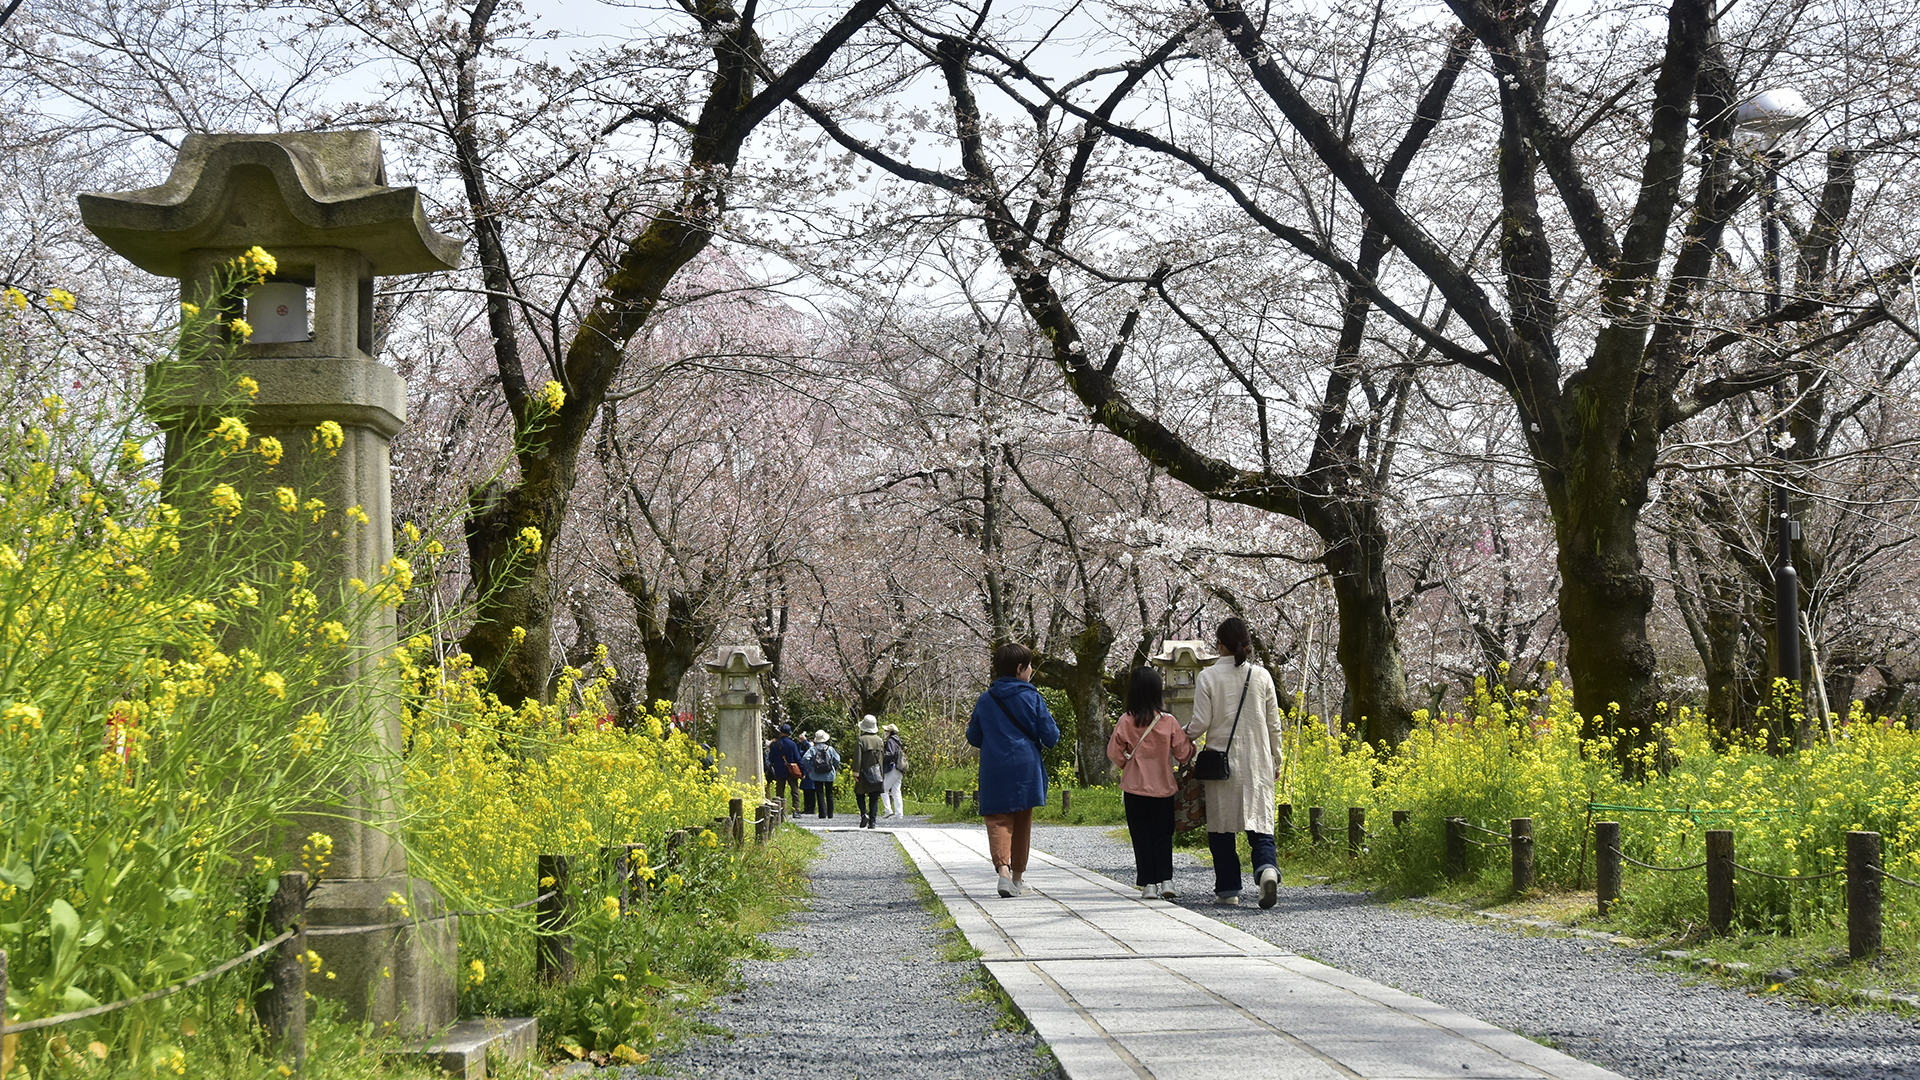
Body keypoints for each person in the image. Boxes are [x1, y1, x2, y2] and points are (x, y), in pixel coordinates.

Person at [1185, 616, 1285, 908]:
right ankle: (1266, 870)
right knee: (1260, 823)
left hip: (1221, 765)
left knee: (1221, 827)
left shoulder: (1208, 677)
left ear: (1220, 644)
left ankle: (1228, 889)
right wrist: (1276, 759)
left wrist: (1182, 736)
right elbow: (1274, 724)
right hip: (1257, 763)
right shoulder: (1262, 676)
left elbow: (1200, 723)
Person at [967, 642, 1061, 898]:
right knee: (1022, 820)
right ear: (1020, 668)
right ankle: (1018, 879)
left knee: (997, 819)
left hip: (994, 767)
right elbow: (1051, 736)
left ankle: (1003, 874)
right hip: (1026, 766)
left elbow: (973, 736)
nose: (1031, 670)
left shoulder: (986, 699)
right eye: (1029, 665)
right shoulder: (1032, 697)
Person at [1106, 666, 1195, 901]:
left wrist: (1128, 764)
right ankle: (1167, 879)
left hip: (1135, 788)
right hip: (1163, 788)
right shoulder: (1168, 722)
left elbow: (1114, 753)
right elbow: (1183, 753)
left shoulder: (1125, 721)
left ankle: (1148, 884)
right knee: (1163, 834)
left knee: (1141, 835)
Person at [852, 715, 886, 828]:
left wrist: (856, 773)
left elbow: (858, 758)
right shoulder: (880, 740)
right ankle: (873, 821)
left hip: (863, 772)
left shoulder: (861, 740)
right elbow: (882, 759)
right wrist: (881, 774)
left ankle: (864, 814)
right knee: (874, 797)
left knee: (859, 794)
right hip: (876, 772)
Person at [767, 723, 804, 815]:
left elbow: (771, 758)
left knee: (780, 791)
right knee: (794, 791)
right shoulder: (792, 744)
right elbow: (798, 758)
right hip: (792, 770)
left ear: (781, 732)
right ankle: (796, 810)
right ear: (789, 733)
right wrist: (803, 771)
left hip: (780, 770)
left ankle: (780, 811)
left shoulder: (775, 744)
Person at [804, 730, 841, 820]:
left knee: (820, 793)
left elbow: (805, 758)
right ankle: (830, 814)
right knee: (829, 793)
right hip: (829, 773)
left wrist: (810, 768)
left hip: (816, 773)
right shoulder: (830, 749)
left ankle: (822, 814)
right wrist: (833, 767)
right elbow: (837, 759)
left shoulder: (813, 749)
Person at [880, 722, 907, 819]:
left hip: (892, 768)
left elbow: (890, 754)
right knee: (896, 792)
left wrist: (882, 758)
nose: (885, 732)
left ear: (890, 732)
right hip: (899, 769)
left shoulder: (891, 741)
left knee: (883, 789)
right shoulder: (897, 741)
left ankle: (888, 810)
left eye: (886, 731)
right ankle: (899, 814)